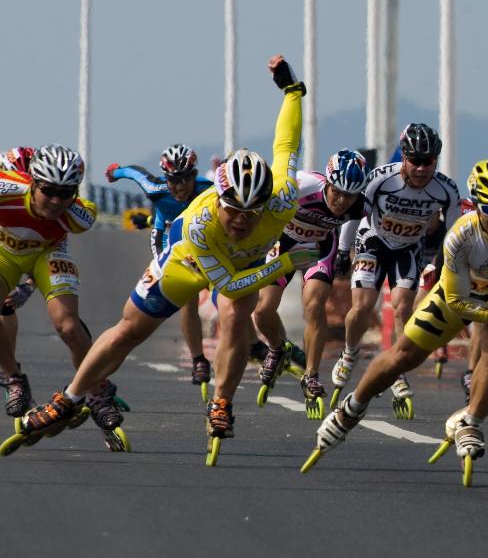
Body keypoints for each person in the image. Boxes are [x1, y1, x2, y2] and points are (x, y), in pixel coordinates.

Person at [8, 56, 315, 456]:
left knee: (238, 316)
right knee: (130, 330)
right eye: (232, 211)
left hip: (246, 263)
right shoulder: (200, 222)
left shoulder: (282, 199)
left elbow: (287, 143)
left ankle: (221, 402)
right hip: (187, 260)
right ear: (218, 200)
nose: (240, 221)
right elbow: (224, 283)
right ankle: (70, 397)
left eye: (250, 214)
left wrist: (292, 92)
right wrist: (286, 262)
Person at [305, 74, 488, 479]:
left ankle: (471, 420)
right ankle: (352, 406)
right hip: (461, 292)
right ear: (478, 208)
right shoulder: (462, 235)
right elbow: (458, 304)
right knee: (405, 354)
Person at [331, 123, 462, 415]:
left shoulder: (446, 189)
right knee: (362, 308)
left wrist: (443, 263)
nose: (421, 168)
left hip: (408, 248)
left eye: (428, 161)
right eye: (415, 160)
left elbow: (455, 232)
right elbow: (355, 216)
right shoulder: (380, 179)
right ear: (403, 157)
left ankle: (396, 369)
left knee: (404, 309)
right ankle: (350, 353)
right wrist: (342, 250)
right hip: (373, 241)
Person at [0, 145, 118, 441]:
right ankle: (13, 377)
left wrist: (28, 287)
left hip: (46, 254)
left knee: (67, 325)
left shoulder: (81, 216)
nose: (55, 201)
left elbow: (54, 246)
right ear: (33, 183)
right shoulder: (7, 189)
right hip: (4, 251)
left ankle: (98, 391)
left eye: (66, 193)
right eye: (49, 190)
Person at [250, 149, 369, 416]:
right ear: (327, 181)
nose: (341, 200)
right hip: (284, 245)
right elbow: (262, 200)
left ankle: (312, 375)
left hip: (319, 249)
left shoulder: (359, 204)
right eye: (336, 192)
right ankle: (278, 348)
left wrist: (343, 251)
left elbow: (359, 220)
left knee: (314, 307)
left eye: (349, 195)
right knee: (262, 310)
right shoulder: (302, 186)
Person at [105, 145, 216, 394]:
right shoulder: (156, 189)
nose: (181, 187)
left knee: (227, 294)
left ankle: (255, 344)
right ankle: (199, 360)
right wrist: (115, 172)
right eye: (174, 181)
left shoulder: (209, 190)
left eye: (186, 179)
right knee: (186, 299)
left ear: (194, 174)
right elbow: (134, 173)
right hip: (168, 241)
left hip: (202, 242)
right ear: (166, 179)